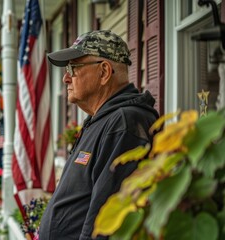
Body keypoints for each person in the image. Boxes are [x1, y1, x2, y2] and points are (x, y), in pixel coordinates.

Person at [38, 30, 159, 239]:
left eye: (73, 68)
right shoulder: (101, 120)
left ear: (103, 72)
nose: (66, 78)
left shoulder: (123, 124)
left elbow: (105, 219)